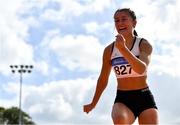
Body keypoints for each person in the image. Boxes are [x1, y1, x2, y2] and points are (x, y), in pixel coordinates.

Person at [83, 8, 158, 124]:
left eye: (124, 19)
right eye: (116, 21)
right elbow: (103, 79)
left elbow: (141, 69)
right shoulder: (109, 50)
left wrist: (123, 49)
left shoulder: (144, 44)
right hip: (123, 99)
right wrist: (93, 103)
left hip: (144, 97)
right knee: (119, 119)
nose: (120, 23)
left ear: (134, 23)